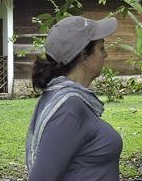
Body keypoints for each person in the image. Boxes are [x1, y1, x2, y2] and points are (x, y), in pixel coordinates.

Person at [25, 16, 122, 181]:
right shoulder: (68, 108)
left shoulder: (64, 99)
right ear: (84, 56)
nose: (105, 55)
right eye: (101, 48)